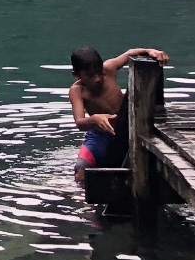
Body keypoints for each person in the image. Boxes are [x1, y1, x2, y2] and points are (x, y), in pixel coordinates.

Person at [71, 44, 169, 188]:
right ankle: (87, 205)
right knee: (80, 171)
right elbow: (79, 123)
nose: (97, 79)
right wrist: (95, 119)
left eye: (99, 73)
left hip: (127, 127)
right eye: (90, 76)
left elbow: (130, 53)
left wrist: (150, 51)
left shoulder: (109, 68)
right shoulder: (77, 91)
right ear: (77, 75)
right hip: (100, 135)